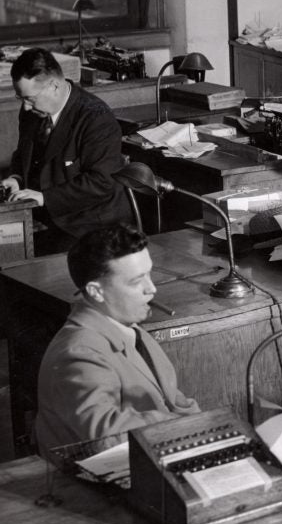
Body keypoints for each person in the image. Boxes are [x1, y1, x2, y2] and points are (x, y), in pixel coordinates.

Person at [34, 225, 201, 460]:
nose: (151, 289)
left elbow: (173, 400)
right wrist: (179, 425)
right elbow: (103, 436)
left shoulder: (129, 329)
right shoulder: (80, 353)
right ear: (96, 292)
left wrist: (200, 425)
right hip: (100, 482)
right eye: (136, 281)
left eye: (149, 274)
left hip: (149, 458)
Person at [3, 47, 133, 255]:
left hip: (90, 223)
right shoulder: (33, 111)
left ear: (54, 86)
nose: (25, 107)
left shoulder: (96, 118)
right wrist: (17, 177)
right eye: (21, 99)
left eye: (29, 98)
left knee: (25, 260)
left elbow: (101, 182)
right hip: (48, 216)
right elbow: (24, 154)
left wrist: (44, 198)